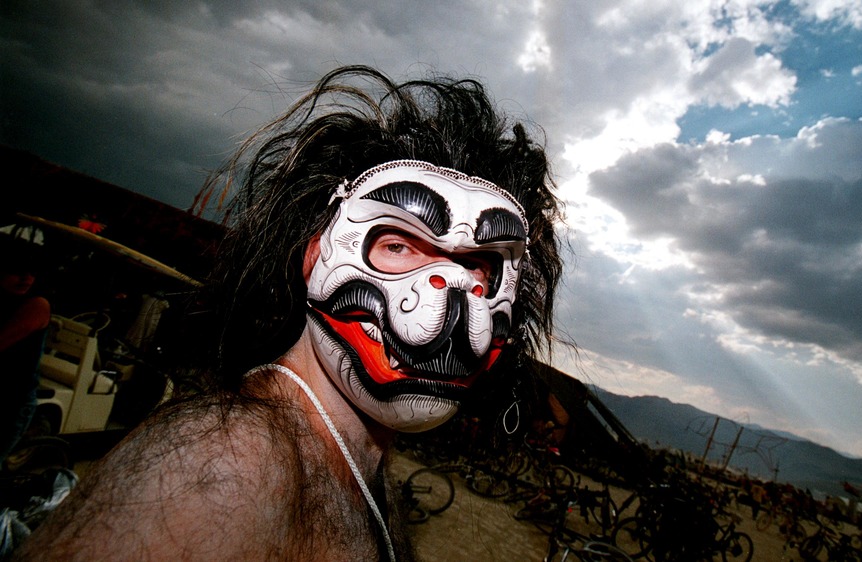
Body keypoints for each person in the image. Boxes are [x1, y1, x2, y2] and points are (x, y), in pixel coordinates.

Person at [15, 65, 562, 561]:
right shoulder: (218, 473)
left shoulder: (359, 463)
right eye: (399, 246)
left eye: (481, 267)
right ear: (315, 254)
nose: (451, 290)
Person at [0, 236, 51, 465]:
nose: (26, 278)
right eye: (17, 270)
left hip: (10, 401)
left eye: (32, 272)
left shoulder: (36, 305)